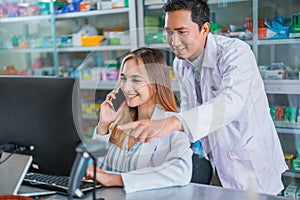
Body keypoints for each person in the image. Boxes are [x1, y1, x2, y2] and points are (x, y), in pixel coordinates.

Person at [118, 0, 288, 195]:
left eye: (182, 32)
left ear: (204, 29)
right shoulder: (181, 63)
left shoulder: (235, 53)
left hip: (251, 165)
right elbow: (189, 110)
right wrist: (162, 141)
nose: (174, 42)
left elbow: (230, 104)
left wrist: (173, 123)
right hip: (217, 163)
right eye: (169, 32)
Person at [85, 47, 193, 193]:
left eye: (136, 80)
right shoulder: (120, 123)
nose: (127, 87)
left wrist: (116, 180)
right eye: (123, 79)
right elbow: (94, 171)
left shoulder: (172, 124)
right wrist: (103, 125)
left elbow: (181, 172)